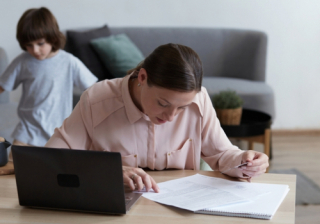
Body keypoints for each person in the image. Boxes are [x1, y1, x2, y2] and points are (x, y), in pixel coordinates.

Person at [45, 43, 269, 193]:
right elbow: (50, 159)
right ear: (142, 77)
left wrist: (245, 161)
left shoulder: (199, 101)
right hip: (110, 209)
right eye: (163, 103)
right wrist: (106, 171)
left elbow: (221, 154)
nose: (171, 117)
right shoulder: (96, 100)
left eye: (181, 108)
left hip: (179, 209)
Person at [0, 7, 98, 152]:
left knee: (57, 170)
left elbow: (94, 90)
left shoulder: (69, 62)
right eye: (29, 45)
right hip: (27, 132)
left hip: (59, 133)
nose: (35, 50)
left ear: (53, 38)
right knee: (16, 166)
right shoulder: (22, 62)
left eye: (40, 43)